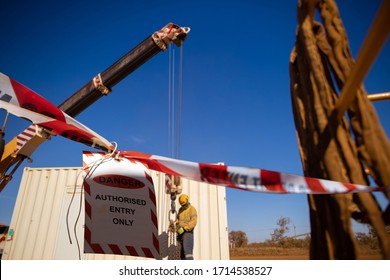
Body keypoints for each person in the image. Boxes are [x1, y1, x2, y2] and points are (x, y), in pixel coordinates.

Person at [176, 194, 197, 260]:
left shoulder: (192, 209)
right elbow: (178, 220)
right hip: (181, 233)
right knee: (181, 254)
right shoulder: (180, 210)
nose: (183, 206)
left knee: (188, 253)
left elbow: (194, 222)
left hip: (188, 233)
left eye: (184, 204)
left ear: (187, 201)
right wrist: (177, 227)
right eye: (182, 205)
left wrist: (184, 228)